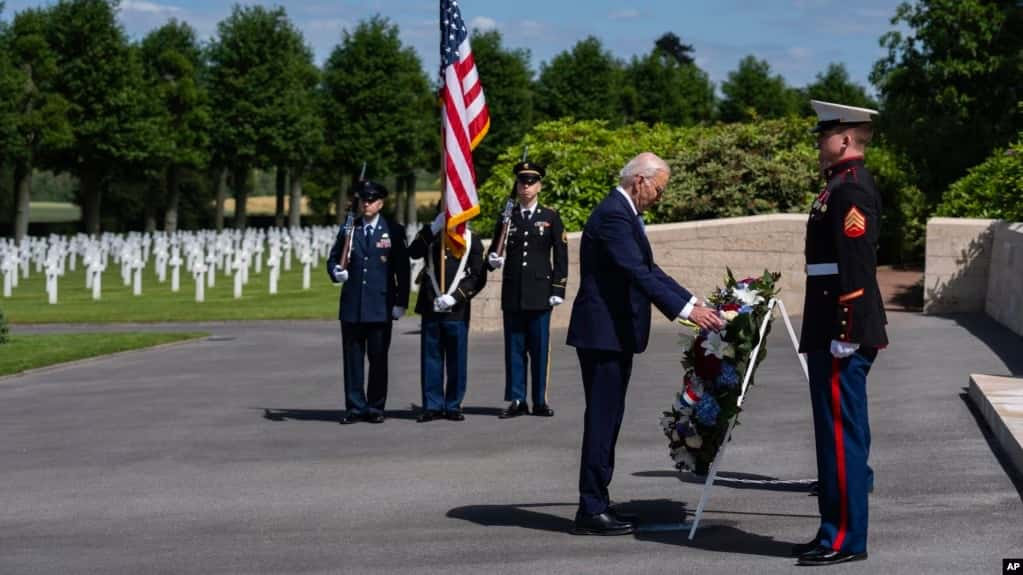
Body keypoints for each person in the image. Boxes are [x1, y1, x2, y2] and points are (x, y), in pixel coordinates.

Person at [566, 152, 725, 535]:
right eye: (659, 188)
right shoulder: (614, 215)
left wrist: (692, 302)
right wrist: (688, 311)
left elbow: (650, 269)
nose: (659, 196)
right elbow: (636, 272)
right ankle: (591, 507)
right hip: (603, 335)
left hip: (612, 334)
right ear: (640, 180)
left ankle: (598, 500)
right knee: (603, 419)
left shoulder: (624, 214)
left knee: (610, 417)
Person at [794, 100, 888, 566]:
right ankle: (832, 529)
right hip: (829, 323)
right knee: (832, 435)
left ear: (846, 138)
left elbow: (856, 263)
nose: (819, 142)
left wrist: (847, 330)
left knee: (841, 436)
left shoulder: (849, 190)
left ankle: (846, 538)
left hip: (839, 328)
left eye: (825, 135)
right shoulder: (836, 186)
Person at [486, 160, 568, 419]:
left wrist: (558, 288)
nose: (525, 187)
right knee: (514, 349)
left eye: (531, 182)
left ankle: (540, 400)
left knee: (540, 349)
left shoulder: (550, 217)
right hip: (513, 293)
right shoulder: (507, 216)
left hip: (540, 293)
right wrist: (492, 259)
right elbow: (496, 249)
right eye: (522, 182)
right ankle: (517, 399)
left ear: (539, 186)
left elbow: (561, 255)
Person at [327, 180, 411, 425]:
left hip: (380, 306)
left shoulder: (393, 230)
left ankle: (375, 406)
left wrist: (401, 302)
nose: (367, 203)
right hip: (353, 306)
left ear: (381, 203)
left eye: (372, 199)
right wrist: (336, 272)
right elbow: (334, 258)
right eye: (364, 199)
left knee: (378, 359)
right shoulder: (349, 228)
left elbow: (402, 270)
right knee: (352, 360)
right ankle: (355, 406)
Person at [407, 209, 486, 422]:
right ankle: (432, 405)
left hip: (456, 309)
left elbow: (478, 277)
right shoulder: (431, 235)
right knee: (430, 357)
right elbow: (413, 252)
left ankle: (453, 404)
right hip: (431, 304)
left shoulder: (472, 240)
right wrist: (432, 229)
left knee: (456, 359)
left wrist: (456, 297)